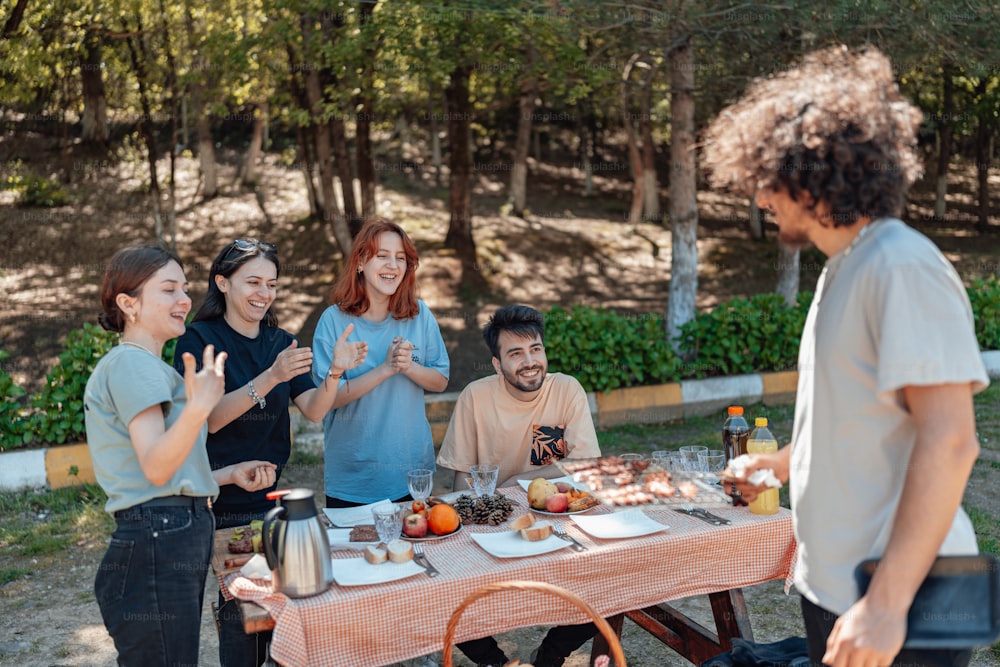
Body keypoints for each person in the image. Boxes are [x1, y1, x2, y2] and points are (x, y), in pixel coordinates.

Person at [703, 46, 988, 667]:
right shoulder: (845, 269)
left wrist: (884, 606)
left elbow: (951, 442)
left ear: (810, 176)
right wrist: (777, 467)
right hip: (845, 587)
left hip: (909, 599)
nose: (759, 199)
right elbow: (855, 422)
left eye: (766, 179)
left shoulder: (901, 265)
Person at [174, 239, 367, 666]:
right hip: (216, 500)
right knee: (244, 620)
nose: (264, 293)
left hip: (270, 502)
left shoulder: (281, 340)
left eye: (273, 284)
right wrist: (270, 376)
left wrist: (335, 370)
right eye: (253, 282)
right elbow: (208, 420)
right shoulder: (197, 340)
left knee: (284, 617)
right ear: (222, 283)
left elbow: (314, 410)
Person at [84, 245, 276, 665]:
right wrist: (198, 407)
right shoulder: (131, 365)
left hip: (169, 534)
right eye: (168, 289)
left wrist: (225, 475)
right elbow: (156, 465)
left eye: (185, 288)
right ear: (128, 304)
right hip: (159, 536)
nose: (184, 300)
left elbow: (163, 464)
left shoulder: (152, 368)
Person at [437, 304, 602, 667]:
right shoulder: (475, 397)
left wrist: (516, 481)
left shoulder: (567, 389)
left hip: (558, 523)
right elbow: (462, 480)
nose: (529, 362)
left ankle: (552, 653)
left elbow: (584, 470)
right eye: (515, 353)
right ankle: (495, 662)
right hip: (495, 525)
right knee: (446, 590)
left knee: (613, 576)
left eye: (535, 349)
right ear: (497, 364)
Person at [313, 217, 449, 507]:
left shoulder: (419, 314)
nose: (393, 265)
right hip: (353, 477)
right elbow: (325, 401)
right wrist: (385, 369)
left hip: (412, 474)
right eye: (382, 256)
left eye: (401, 258)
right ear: (360, 263)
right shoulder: (333, 322)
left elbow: (441, 381)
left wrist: (408, 366)